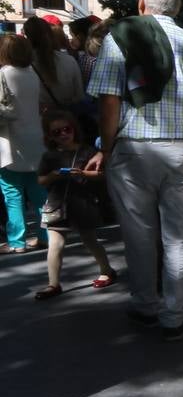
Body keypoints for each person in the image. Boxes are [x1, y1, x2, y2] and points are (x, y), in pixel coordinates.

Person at [85, 0, 183, 341]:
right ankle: (173, 314)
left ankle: (146, 305)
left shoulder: (120, 39)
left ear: (142, 4)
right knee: (179, 238)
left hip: (134, 150)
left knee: (139, 234)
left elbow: (109, 101)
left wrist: (107, 147)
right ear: (177, 8)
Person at [33, 109, 116, 300]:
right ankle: (53, 284)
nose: (63, 134)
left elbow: (101, 174)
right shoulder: (49, 156)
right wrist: (54, 175)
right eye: (57, 132)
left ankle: (106, 270)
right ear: (50, 136)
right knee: (55, 244)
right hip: (56, 204)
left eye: (66, 129)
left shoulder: (87, 151)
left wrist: (84, 174)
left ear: (74, 129)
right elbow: (41, 180)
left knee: (90, 240)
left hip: (81, 203)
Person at [0, 34, 47, 254]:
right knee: (38, 194)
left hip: (11, 142)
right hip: (35, 139)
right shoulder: (33, 74)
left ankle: (17, 241)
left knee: (12, 193)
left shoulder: (4, 73)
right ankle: (45, 235)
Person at [24, 16, 85, 116]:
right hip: (65, 121)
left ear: (27, 36)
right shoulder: (69, 61)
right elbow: (79, 96)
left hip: (37, 121)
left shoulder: (22, 66)